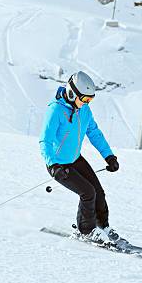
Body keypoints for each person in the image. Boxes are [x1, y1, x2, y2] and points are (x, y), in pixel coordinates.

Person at [39, 71, 120, 243]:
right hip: (59, 164)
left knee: (99, 192)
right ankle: (87, 231)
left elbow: (94, 133)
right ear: (71, 93)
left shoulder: (84, 111)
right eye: (84, 99)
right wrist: (53, 165)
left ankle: (102, 226)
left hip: (75, 159)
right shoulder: (55, 110)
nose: (86, 104)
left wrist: (109, 156)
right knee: (88, 193)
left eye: (90, 100)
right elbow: (45, 141)